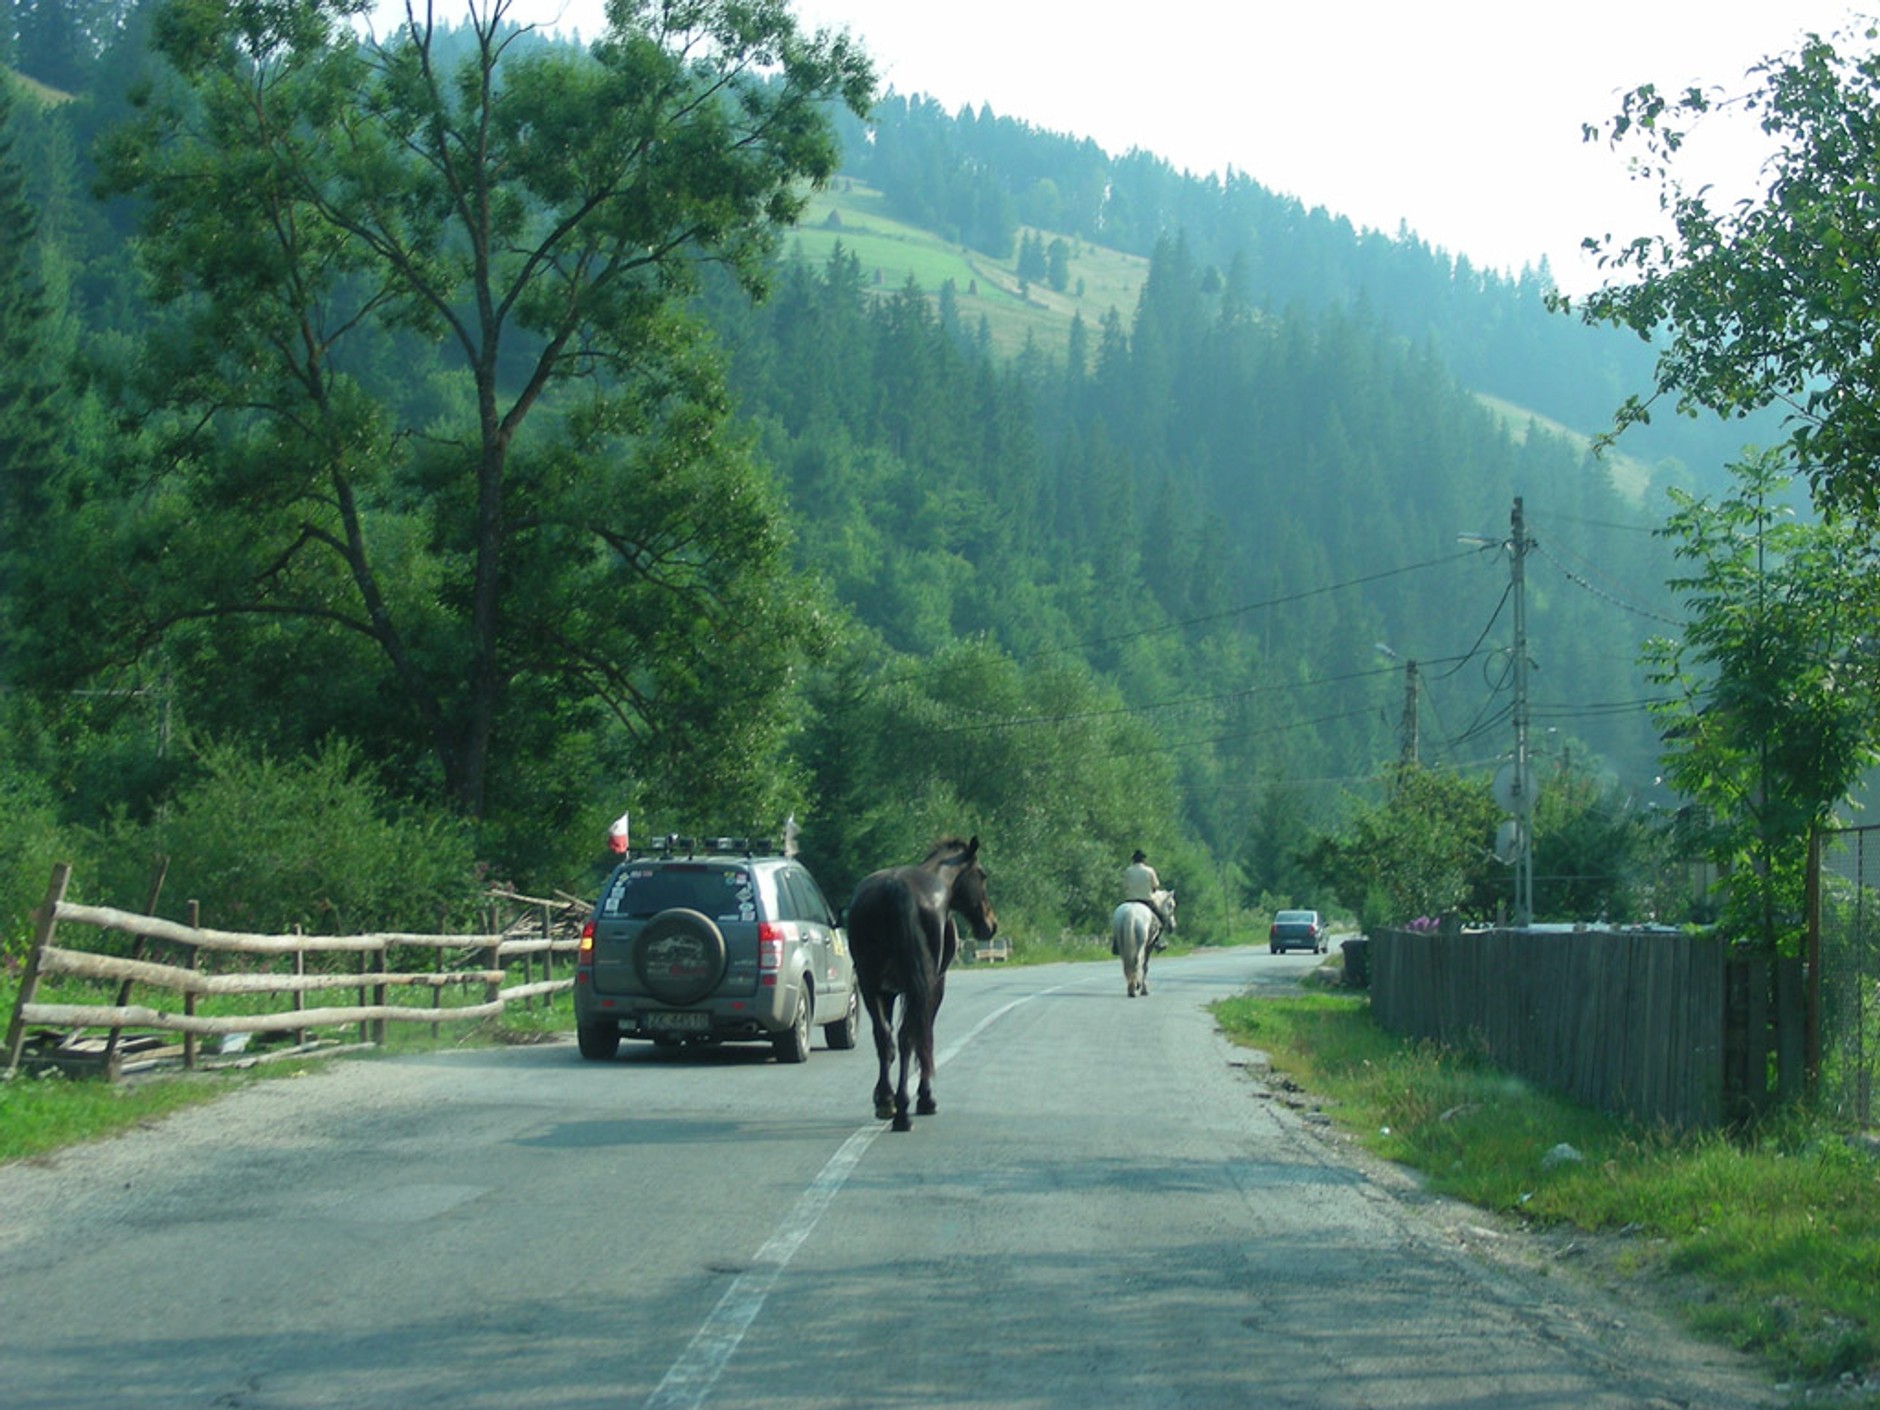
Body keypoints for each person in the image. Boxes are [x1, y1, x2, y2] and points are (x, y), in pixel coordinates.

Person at [1123, 849, 1172, 949]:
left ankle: (1116, 943)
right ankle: (1159, 941)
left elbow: (1124, 886)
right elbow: (1155, 886)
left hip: (1130, 901)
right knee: (1162, 919)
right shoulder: (1149, 871)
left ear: (1133, 860)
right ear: (1144, 860)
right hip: (1146, 901)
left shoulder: (1128, 870)